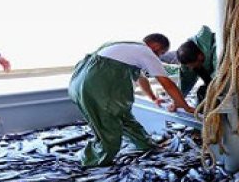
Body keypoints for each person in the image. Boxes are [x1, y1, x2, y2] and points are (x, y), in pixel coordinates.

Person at [68, 34, 194, 167]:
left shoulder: (127, 47)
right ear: (156, 47)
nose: (159, 57)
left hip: (80, 83)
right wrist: (185, 106)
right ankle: (91, 162)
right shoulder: (145, 52)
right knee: (109, 131)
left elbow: (141, 79)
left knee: (124, 117)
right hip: (97, 89)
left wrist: (153, 98)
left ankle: (145, 145)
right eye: (161, 53)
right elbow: (166, 83)